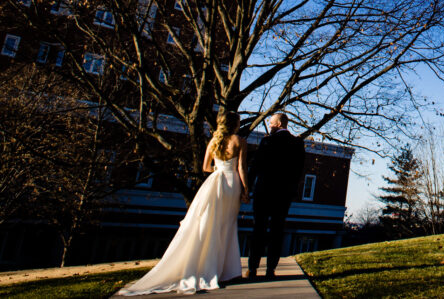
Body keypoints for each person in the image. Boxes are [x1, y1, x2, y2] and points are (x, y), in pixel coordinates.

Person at [118, 111, 249, 295]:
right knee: (227, 225)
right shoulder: (239, 141)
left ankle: (207, 267)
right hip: (231, 183)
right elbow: (241, 168)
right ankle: (226, 270)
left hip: (215, 182)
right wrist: (246, 190)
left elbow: (205, 167)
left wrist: (218, 169)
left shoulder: (214, 141)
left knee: (208, 224)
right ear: (234, 123)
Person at [246, 112, 305, 281]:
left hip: (263, 191)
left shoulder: (267, 141)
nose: (269, 125)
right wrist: (291, 190)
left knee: (259, 229)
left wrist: (247, 188)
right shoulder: (297, 143)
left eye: (271, 123)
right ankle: (271, 268)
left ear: (279, 124)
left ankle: (252, 268)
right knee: (277, 230)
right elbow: (298, 171)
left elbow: (256, 166)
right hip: (283, 194)